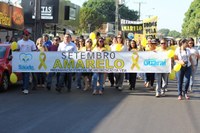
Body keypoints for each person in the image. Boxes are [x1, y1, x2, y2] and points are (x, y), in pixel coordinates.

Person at [17, 29, 37, 94]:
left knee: (27, 74)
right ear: (23, 35)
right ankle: (24, 87)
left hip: (29, 61)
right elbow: (16, 51)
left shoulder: (32, 42)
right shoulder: (19, 42)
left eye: (28, 35)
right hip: (21, 61)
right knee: (23, 74)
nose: (27, 36)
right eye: (26, 35)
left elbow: (34, 51)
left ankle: (26, 88)